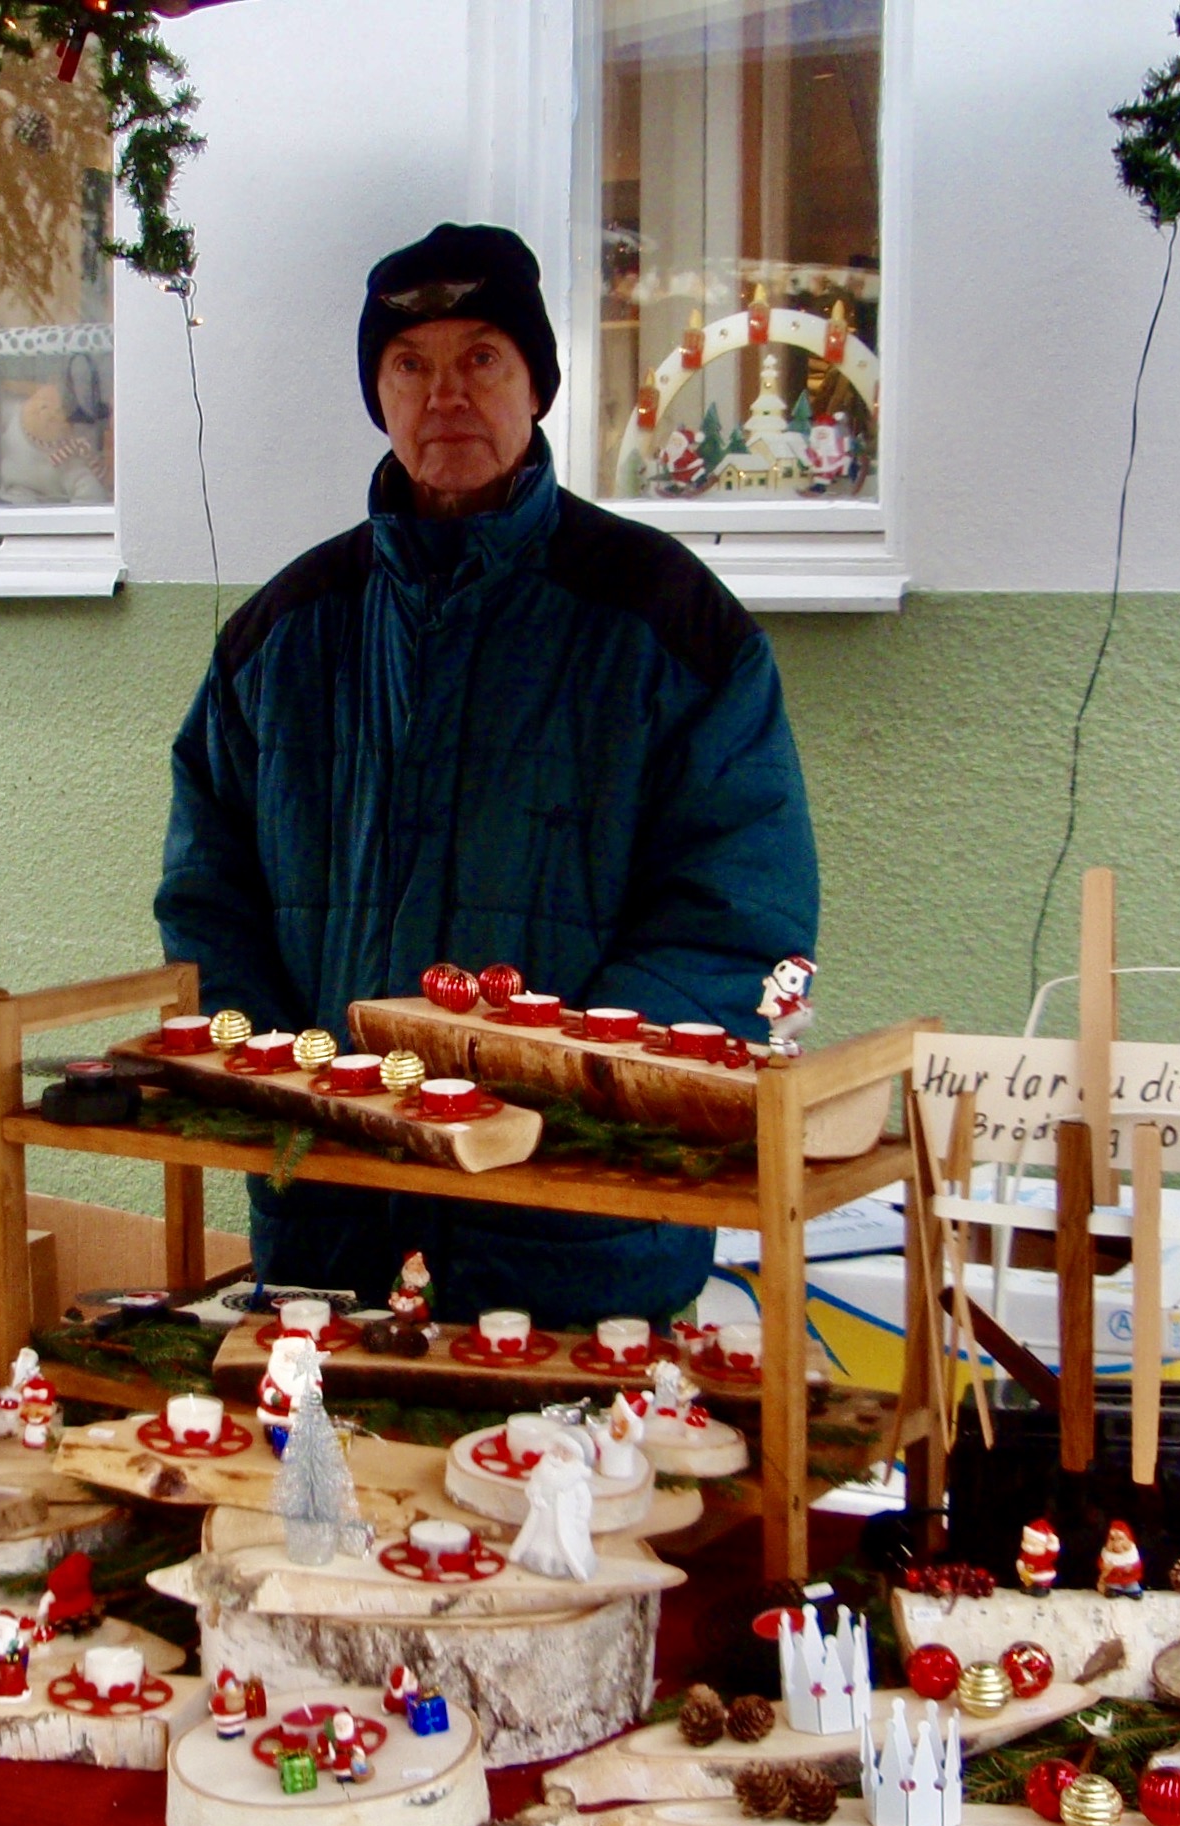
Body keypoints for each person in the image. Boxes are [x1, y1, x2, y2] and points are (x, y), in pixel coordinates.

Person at [155, 222, 818, 1326]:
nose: (444, 394)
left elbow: (737, 922)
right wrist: (302, 1092)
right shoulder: (280, 638)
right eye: (409, 364)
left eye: (481, 359)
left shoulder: (669, 626)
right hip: (333, 1225)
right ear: (378, 393)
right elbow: (207, 901)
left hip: (579, 1241)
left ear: (537, 386)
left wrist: (551, 1095)